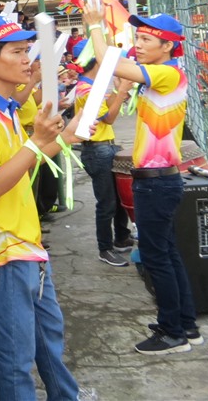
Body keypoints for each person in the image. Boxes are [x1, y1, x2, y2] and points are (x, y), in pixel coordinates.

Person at [0, 16, 88, 401]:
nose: (27, 60)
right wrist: (37, 141)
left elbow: (25, 160)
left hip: (26, 244)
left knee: (49, 339)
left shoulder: (6, 109)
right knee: (15, 355)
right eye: (16, 51)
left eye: (26, 50)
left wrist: (66, 134)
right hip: (5, 250)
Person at [84, 8, 202, 353]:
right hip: (159, 180)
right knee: (166, 253)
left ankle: (171, 332)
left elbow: (108, 62)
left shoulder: (165, 73)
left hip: (156, 183)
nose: (139, 44)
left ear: (167, 46)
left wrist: (94, 23)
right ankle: (185, 323)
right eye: (138, 37)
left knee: (156, 257)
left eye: (147, 39)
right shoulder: (165, 73)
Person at [70, 38, 135, 267]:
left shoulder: (90, 86)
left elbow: (106, 108)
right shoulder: (87, 90)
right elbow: (109, 117)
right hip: (97, 150)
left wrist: (118, 92)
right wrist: (121, 90)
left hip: (105, 146)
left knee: (117, 200)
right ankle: (105, 248)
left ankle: (121, 237)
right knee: (107, 203)